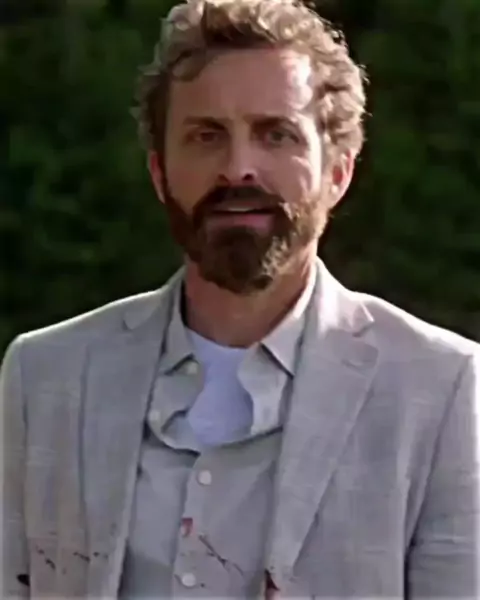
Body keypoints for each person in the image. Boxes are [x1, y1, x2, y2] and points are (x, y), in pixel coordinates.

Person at [2, 0, 479, 597]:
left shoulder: (440, 387)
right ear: (159, 172)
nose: (238, 169)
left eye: (276, 134)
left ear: (338, 172)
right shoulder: (46, 375)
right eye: (206, 136)